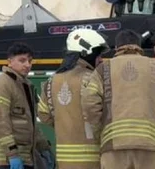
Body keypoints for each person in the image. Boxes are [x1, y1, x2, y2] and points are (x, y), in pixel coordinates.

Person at [81, 29, 155, 169]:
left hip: (114, 146)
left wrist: (101, 134)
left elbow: (89, 104)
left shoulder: (102, 70)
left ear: (117, 48)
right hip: (149, 146)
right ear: (139, 46)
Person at [37, 29, 108, 169]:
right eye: (98, 55)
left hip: (64, 159)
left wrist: (65, 126)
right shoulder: (94, 78)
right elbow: (103, 114)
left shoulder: (52, 80)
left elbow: (43, 114)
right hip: (92, 158)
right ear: (86, 53)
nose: (101, 59)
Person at [0, 42, 53, 169]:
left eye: (30, 60)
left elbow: (29, 122)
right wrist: (12, 154)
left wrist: (43, 147)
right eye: (22, 60)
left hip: (24, 158)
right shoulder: (1, 85)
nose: (27, 65)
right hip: (6, 160)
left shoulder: (24, 85)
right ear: (10, 62)